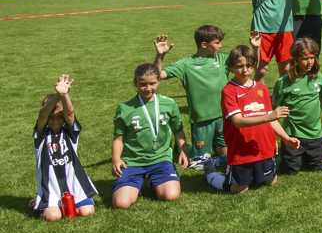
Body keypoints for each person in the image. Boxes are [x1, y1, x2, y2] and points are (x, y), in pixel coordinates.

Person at [205, 45, 299, 193]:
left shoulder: (261, 88)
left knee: (270, 181)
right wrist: (269, 116)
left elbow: (272, 120)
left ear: (254, 66)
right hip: (241, 150)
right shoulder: (229, 90)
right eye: (239, 66)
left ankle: (232, 164)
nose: (245, 70)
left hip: (263, 148)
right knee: (240, 189)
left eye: (249, 65)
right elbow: (237, 121)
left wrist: (286, 138)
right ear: (230, 67)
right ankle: (211, 171)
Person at [111, 64, 189, 209]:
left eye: (152, 83)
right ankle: (138, 182)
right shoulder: (125, 108)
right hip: (132, 161)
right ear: (135, 83)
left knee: (171, 195)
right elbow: (118, 137)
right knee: (121, 203)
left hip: (160, 159)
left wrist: (183, 150)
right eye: (143, 84)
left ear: (158, 81)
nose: (148, 88)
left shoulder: (169, 103)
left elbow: (178, 130)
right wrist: (116, 159)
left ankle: (154, 181)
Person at [152, 26, 228, 170]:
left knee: (226, 157)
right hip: (202, 120)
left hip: (224, 117)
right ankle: (180, 148)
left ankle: (214, 147)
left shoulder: (222, 59)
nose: (221, 46)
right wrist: (160, 55)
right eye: (217, 43)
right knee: (200, 164)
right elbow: (157, 76)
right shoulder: (186, 64)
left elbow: (248, 63)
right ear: (204, 45)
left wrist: (255, 48)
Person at [31, 75, 98, 221]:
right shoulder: (41, 135)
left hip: (75, 185)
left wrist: (65, 95)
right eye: (51, 116)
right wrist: (57, 96)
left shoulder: (70, 133)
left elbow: (69, 113)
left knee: (87, 211)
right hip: (51, 189)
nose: (55, 120)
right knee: (54, 216)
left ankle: (65, 202)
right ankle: (39, 202)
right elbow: (42, 116)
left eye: (59, 116)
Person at [273, 38, 322, 174]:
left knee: (316, 168)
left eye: (312, 58)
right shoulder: (283, 82)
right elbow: (273, 113)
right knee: (291, 170)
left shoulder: (319, 77)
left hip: (315, 135)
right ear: (295, 59)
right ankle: (282, 158)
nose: (309, 62)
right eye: (304, 58)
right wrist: (274, 138)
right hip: (292, 136)